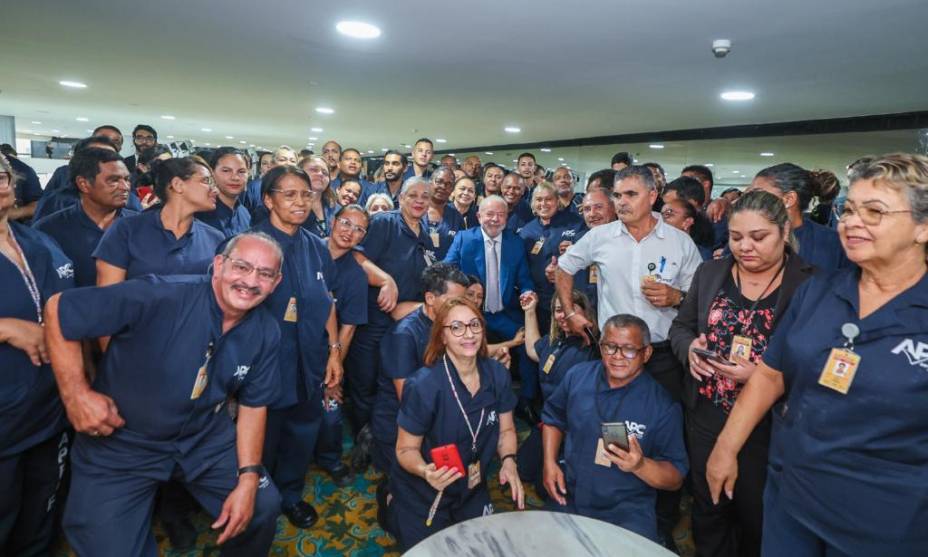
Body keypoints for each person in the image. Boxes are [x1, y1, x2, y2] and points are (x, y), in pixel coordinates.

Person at [707, 153, 928, 556]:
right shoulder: (820, 290)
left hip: (886, 523)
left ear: (923, 227)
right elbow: (771, 374)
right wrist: (725, 448)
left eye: (874, 211)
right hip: (793, 499)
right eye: (849, 209)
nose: (851, 222)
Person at [45, 233, 285, 556]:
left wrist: (247, 478)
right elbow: (59, 309)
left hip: (204, 439)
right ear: (218, 265)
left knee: (262, 506)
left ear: (276, 282)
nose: (250, 281)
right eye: (241, 267)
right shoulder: (160, 294)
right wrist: (76, 394)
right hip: (122, 443)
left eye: (265, 274)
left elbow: (254, 406)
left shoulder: (266, 331)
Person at [556, 165, 702, 548]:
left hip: (663, 352)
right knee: (602, 429)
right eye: (617, 196)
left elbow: (700, 301)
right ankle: (594, 506)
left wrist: (676, 298)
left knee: (665, 437)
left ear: (653, 196)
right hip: (613, 353)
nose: (621, 202)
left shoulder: (679, 242)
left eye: (630, 195)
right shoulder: (600, 236)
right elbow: (565, 269)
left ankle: (661, 524)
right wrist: (571, 310)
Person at [668, 190, 815, 557]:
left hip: (769, 425)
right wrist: (691, 351)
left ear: (784, 232)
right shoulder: (711, 272)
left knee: (758, 514)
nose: (745, 247)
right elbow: (681, 327)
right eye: (736, 237)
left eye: (758, 237)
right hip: (707, 411)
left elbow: (819, 365)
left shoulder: (811, 284)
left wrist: (762, 376)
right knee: (709, 508)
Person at [386, 297, 524, 550]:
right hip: (424, 491)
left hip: (472, 487)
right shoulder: (424, 385)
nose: (468, 334)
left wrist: (508, 461)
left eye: (474, 325)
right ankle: (391, 501)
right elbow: (405, 450)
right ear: (442, 337)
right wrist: (426, 471)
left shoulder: (498, 375)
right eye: (457, 327)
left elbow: (506, 430)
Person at [542, 314, 687, 543]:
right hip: (571, 497)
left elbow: (675, 477)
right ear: (600, 348)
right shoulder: (577, 377)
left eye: (629, 349)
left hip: (627, 511)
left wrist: (640, 465)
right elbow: (553, 418)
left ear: (646, 353)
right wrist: (549, 463)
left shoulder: (662, 406)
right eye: (610, 347)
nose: (618, 357)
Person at [251, 165, 341, 529]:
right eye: (289, 194)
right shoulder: (252, 244)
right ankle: (259, 498)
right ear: (268, 199)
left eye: (306, 194)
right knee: (264, 437)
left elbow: (327, 300)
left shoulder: (314, 246)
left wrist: (335, 350)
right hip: (266, 364)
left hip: (311, 359)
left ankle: (289, 494)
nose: (301, 202)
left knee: (302, 432)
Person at [0, 154, 74, 556]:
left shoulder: (37, 241)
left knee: (39, 519)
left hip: (45, 412)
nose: (1, 180)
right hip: (3, 421)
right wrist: (4, 327)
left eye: (3, 172)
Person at [343, 177, 435, 444]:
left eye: (425, 196)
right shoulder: (385, 223)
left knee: (393, 383)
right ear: (401, 198)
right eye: (413, 195)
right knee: (365, 382)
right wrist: (386, 279)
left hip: (406, 325)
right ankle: (363, 442)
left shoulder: (426, 236)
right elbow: (356, 257)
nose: (419, 200)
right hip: (374, 319)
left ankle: (386, 438)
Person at [372, 263, 470, 476]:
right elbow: (406, 398)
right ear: (430, 299)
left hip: (436, 414)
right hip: (401, 428)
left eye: (463, 300)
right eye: (453, 300)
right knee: (405, 492)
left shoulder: (449, 324)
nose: (460, 306)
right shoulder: (404, 336)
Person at [444, 195, 536, 420]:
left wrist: (527, 292)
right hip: (472, 312)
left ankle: (526, 401)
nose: (495, 219)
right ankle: (467, 403)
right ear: (479, 216)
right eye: (489, 214)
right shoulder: (464, 239)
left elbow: (524, 277)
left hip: (504, 313)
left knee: (529, 345)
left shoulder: (514, 242)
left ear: (507, 217)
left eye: (501, 214)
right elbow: (446, 272)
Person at [94, 157, 224, 284]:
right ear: (178, 185)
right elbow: (109, 296)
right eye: (206, 181)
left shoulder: (214, 238)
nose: (216, 191)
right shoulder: (126, 230)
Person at [314, 204, 372, 486]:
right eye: (346, 223)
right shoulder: (308, 250)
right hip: (290, 346)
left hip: (328, 352)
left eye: (359, 229)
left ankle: (331, 460)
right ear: (333, 221)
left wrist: (335, 371)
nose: (350, 232)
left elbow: (348, 329)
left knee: (330, 409)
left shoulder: (355, 276)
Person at [517, 289, 597, 495]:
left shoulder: (593, 345)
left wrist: (586, 328)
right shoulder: (555, 341)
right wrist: (530, 311)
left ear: (584, 312)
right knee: (523, 469)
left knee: (546, 488)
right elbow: (533, 351)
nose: (562, 315)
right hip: (549, 423)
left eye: (569, 309)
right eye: (558, 310)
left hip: (576, 429)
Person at [34, 147, 137, 287]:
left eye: (127, 179)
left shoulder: (142, 226)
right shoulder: (48, 231)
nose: (125, 187)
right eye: (114, 180)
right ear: (84, 184)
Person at [748, 163, 851, 271]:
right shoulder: (745, 238)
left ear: (788, 199)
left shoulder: (834, 244)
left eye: (758, 194)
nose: (749, 200)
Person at [520, 182, 581, 333]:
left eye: (548, 199)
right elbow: (522, 267)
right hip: (540, 302)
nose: (544, 204)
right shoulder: (527, 231)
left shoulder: (575, 223)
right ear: (533, 203)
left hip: (570, 298)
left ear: (557, 201)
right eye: (539, 200)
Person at [195, 147, 252, 238]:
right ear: (212, 173)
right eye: (226, 171)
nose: (235, 177)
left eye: (241, 171)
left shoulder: (244, 213)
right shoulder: (200, 214)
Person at [425, 167, 466, 260]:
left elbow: (460, 251)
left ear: (452, 189)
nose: (443, 187)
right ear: (430, 182)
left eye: (448, 184)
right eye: (439, 181)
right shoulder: (416, 210)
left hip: (445, 271)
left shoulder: (456, 217)